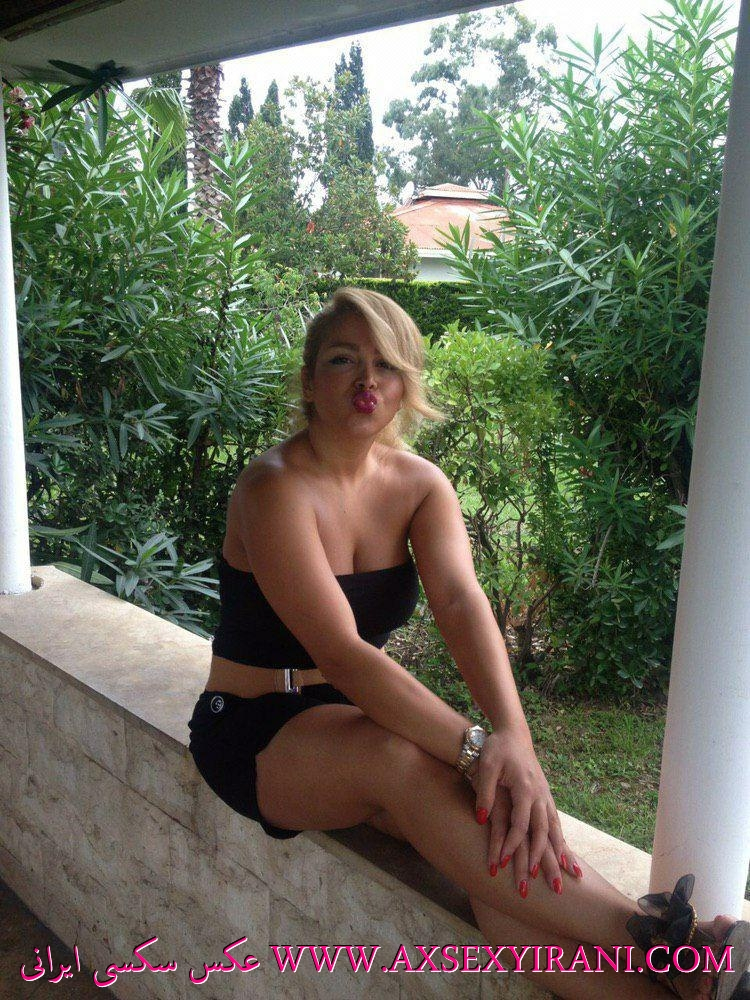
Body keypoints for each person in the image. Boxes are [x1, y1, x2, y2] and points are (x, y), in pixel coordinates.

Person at [188, 287, 750, 1000]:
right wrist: (479, 748)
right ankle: (671, 945)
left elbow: (460, 604)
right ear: (308, 381)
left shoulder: (419, 485)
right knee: (406, 762)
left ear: (406, 383)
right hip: (255, 728)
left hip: (358, 717)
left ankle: (671, 980)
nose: (367, 381)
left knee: (499, 849)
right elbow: (343, 655)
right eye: (343, 360)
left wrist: (515, 737)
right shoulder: (273, 487)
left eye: (386, 365)